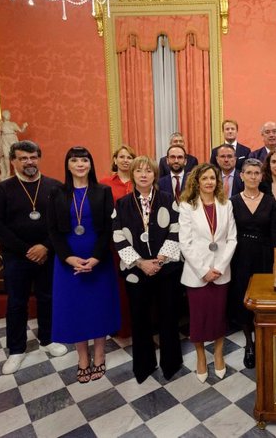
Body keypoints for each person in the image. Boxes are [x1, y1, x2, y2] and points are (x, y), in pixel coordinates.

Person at [0, 140, 68, 375]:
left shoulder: (55, 186)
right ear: (13, 161)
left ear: (38, 158)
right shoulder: (2, 189)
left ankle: (48, 340)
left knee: (47, 298)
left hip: (48, 255)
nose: (29, 162)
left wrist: (44, 246)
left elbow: (62, 223)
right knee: (16, 303)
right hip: (16, 257)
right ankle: (16, 349)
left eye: (33, 157)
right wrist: (26, 250)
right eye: (23, 158)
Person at [48, 147, 120, 383]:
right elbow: (53, 231)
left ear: (90, 164)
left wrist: (97, 258)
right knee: (76, 309)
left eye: (84, 160)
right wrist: (68, 258)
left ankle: (99, 353)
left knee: (97, 308)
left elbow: (109, 229)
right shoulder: (56, 193)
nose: (80, 164)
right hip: (68, 261)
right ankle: (82, 358)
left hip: (98, 258)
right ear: (68, 165)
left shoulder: (103, 191)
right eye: (75, 160)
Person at [113, 156, 183, 382]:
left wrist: (160, 260)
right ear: (132, 175)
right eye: (139, 171)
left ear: (155, 175)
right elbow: (118, 237)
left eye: (148, 171)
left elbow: (176, 230)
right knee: (140, 319)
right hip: (136, 271)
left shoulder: (168, 199)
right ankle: (144, 366)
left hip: (166, 269)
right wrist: (141, 263)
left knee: (168, 316)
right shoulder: (122, 204)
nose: (143, 174)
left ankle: (171, 363)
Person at [179, 163, 237, 382]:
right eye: (205, 178)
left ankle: (219, 354)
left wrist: (219, 267)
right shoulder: (186, 206)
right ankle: (201, 356)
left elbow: (232, 239)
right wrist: (204, 270)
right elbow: (185, 243)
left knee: (218, 316)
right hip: (196, 273)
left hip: (222, 271)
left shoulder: (226, 204)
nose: (209, 182)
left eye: (213, 178)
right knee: (199, 318)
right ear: (197, 181)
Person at [230, 158, 276, 368]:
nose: (253, 176)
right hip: (240, 256)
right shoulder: (232, 201)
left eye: (257, 173)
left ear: (262, 176)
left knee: (263, 301)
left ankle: (264, 338)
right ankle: (249, 344)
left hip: (264, 256)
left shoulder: (269, 201)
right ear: (241, 176)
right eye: (249, 173)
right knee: (244, 299)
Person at [99, 144, 137, 339]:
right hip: (113, 241)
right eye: (121, 157)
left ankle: (133, 326)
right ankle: (115, 326)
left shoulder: (139, 181)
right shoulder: (105, 183)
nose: (125, 160)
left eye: (129, 157)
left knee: (134, 284)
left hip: (136, 242)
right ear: (115, 160)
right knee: (115, 285)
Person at [0, 110, 29, 180]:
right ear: (4, 116)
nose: (9, 115)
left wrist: (24, 126)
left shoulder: (13, 124)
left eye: (9, 114)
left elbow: (21, 131)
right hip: (5, 141)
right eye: (7, 114)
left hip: (13, 141)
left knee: (14, 156)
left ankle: (16, 171)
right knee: (6, 156)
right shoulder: (1, 125)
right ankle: (8, 172)